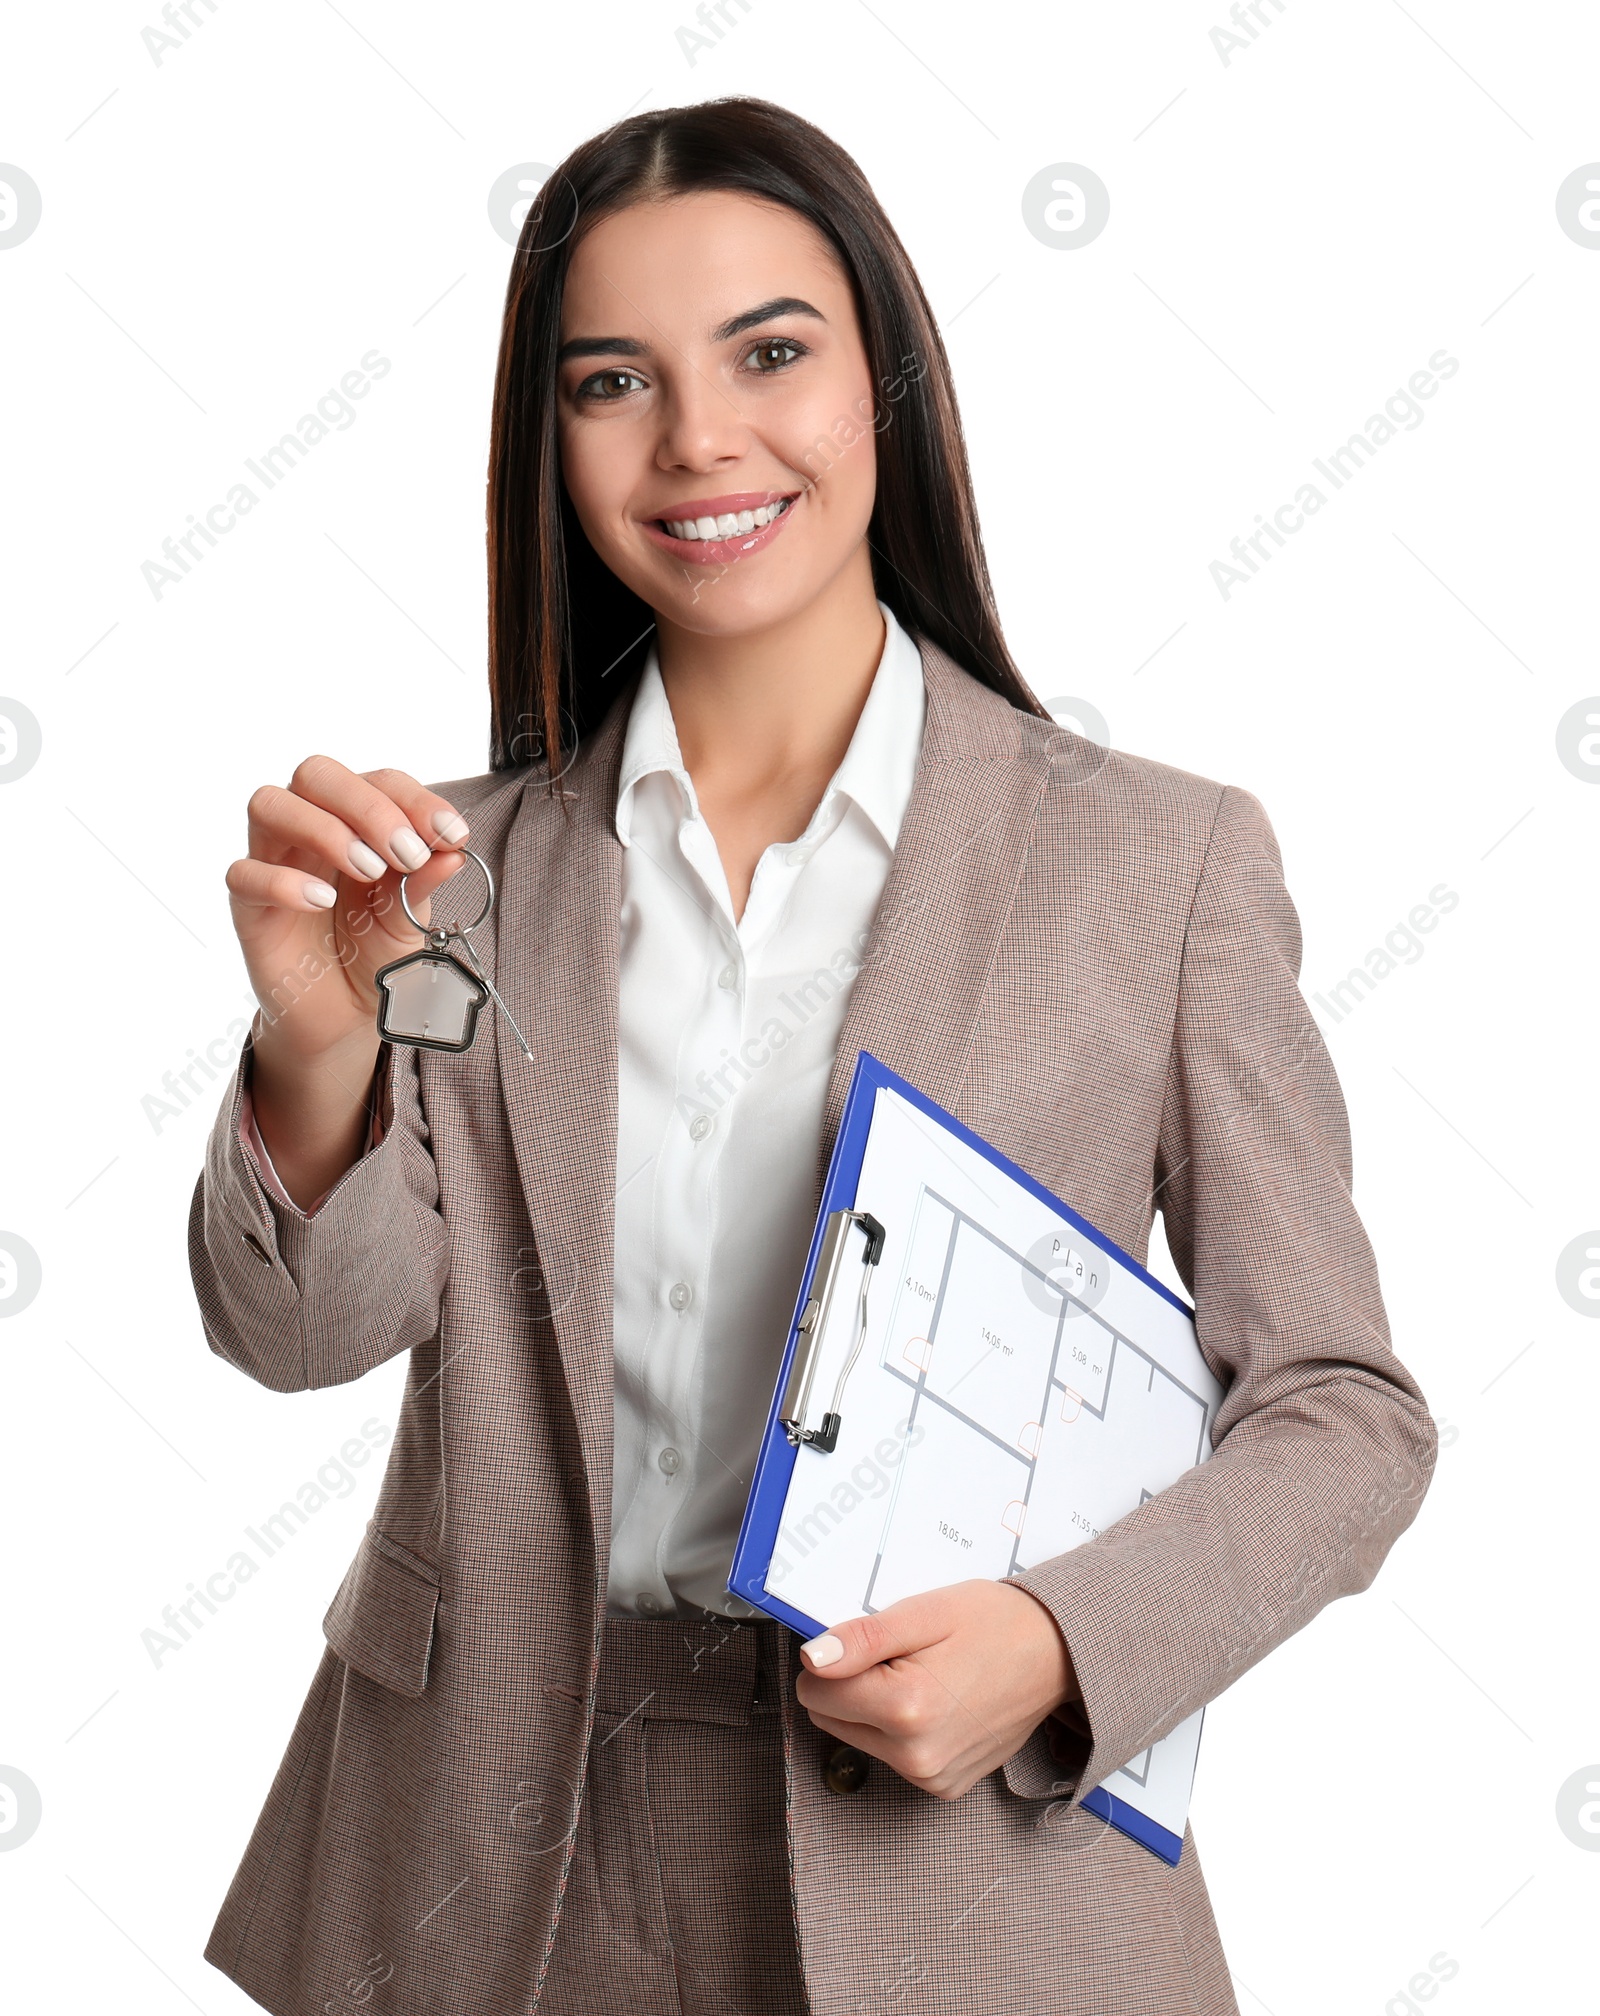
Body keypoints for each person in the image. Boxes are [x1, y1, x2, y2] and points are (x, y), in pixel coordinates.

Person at [190, 96, 1436, 2016]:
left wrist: (1059, 1642)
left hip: (955, 1863)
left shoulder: (1160, 865)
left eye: (771, 353)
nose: (700, 440)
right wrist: (312, 1045)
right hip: (494, 1858)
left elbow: (1342, 1408)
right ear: (552, 445)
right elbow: (306, 1336)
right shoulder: (446, 883)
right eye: (615, 381)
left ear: (890, 390)